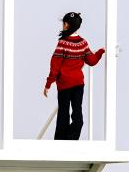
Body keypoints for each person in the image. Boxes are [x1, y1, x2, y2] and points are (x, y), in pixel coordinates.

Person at [43, 12, 106, 140]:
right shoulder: (83, 43)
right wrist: (101, 51)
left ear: (66, 24)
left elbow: (55, 66)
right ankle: (71, 140)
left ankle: (60, 141)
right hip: (78, 84)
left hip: (64, 85)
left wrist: (48, 84)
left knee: (63, 114)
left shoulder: (63, 43)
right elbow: (92, 61)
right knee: (77, 115)